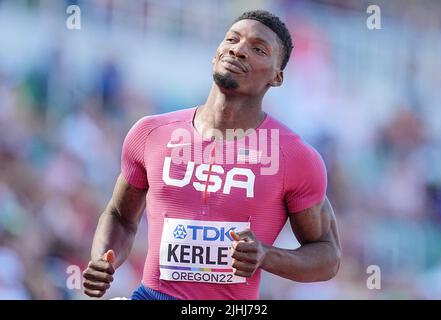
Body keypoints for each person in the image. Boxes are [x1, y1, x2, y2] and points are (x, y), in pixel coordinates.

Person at [82, 10, 341, 300]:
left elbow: (327, 256)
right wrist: (104, 259)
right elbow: (119, 215)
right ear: (216, 54)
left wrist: (266, 255)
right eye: (232, 39)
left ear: (277, 77)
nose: (238, 49)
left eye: (258, 49)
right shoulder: (151, 132)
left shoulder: (294, 156)